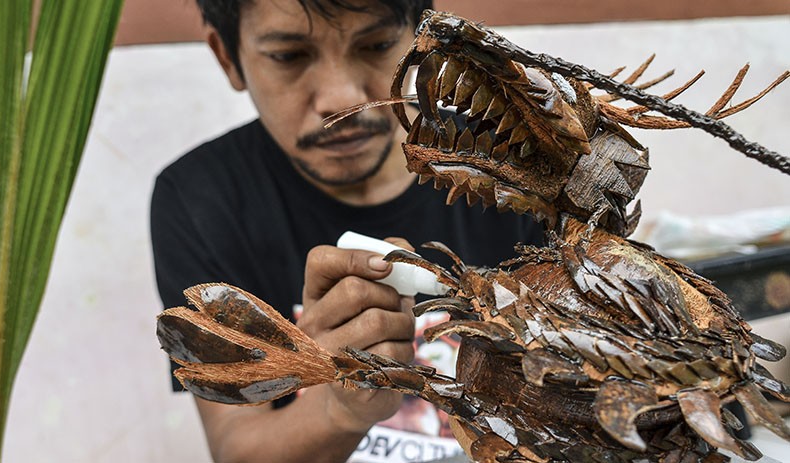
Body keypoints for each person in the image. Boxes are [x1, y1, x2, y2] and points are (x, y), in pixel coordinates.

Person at [150, 1, 545, 462]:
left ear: (423, 40)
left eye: (376, 46)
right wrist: (339, 408)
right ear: (227, 57)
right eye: (289, 56)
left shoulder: (515, 168)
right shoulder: (201, 199)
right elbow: (238, 445)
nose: (340, 99)